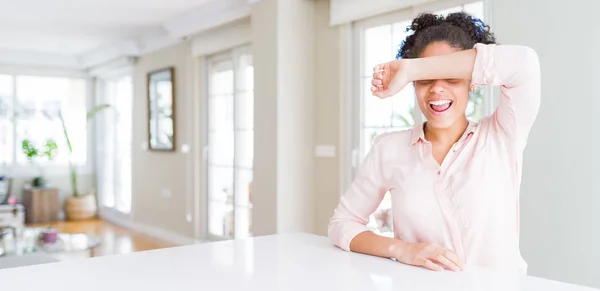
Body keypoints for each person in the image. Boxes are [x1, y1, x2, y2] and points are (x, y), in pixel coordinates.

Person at [328, 11, 541, 274]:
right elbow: (342, 224)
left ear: (472, 81)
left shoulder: (502, 135)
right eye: (425, 80)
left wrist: (412, 67)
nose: (436, 89)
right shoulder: (389, 149)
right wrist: (402, 249)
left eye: (450, 75)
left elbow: (524, 63)